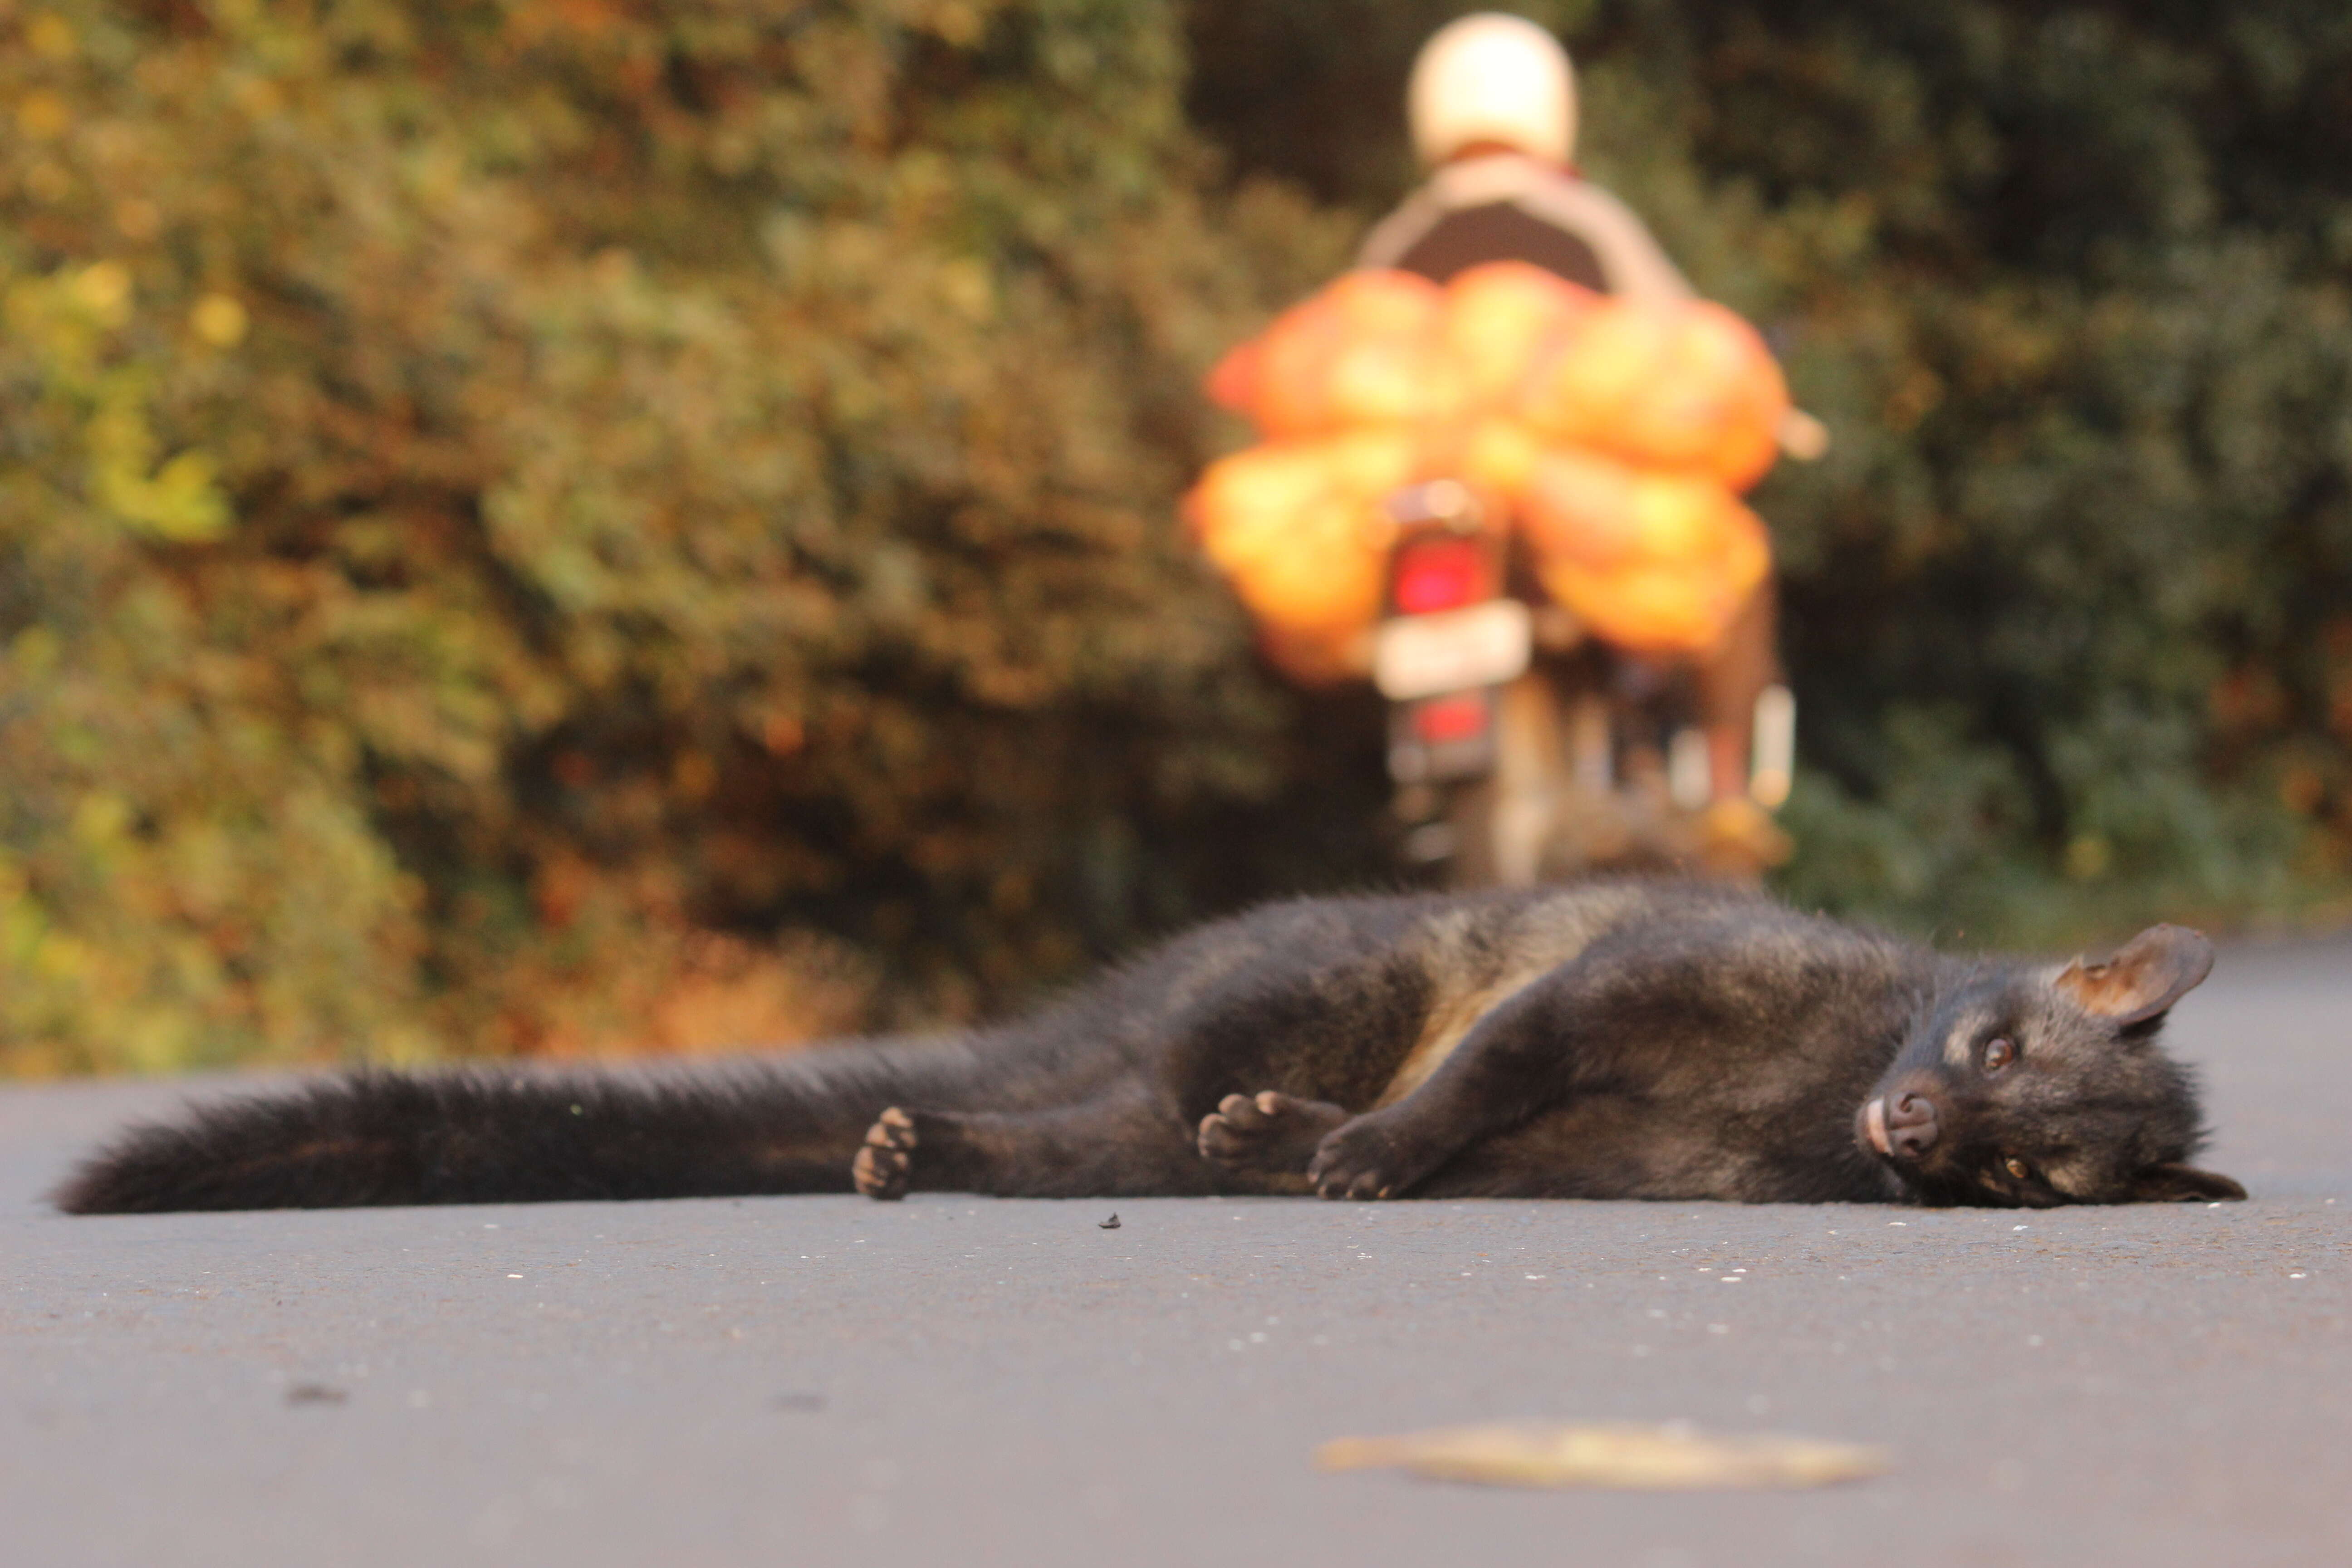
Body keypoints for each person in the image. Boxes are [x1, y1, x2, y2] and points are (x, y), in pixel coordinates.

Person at [1362, 13, 1792, 829]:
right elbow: (1674, 349)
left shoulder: (1397, 243)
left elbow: (1355, 358)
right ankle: (1730, 793)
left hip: (1445, 511)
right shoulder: (1587, 223)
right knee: (1731, 563)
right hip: (1569, 520)